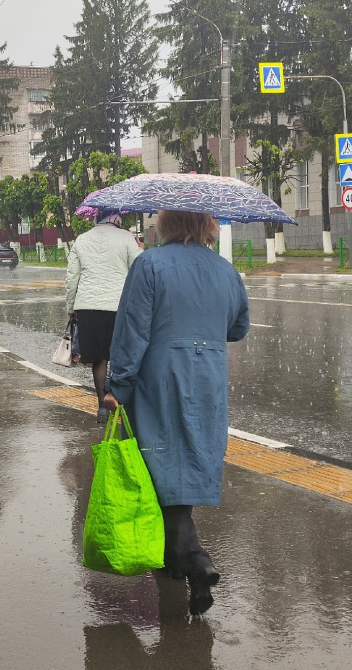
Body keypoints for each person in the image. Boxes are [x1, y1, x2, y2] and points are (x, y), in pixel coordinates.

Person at [102, 209, 249, 616]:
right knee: (186, 461)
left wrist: (117, 387)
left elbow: (132, 331)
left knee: (157, 465)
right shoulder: (225, 270)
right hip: (208, 380)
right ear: (207, 226)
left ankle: (193, 557)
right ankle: (175, 563)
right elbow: (238, 327)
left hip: (161, 377)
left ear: (167, 225)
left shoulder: (149, 264)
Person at [65, 210, 141, 423]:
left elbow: (72, 277)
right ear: (116, 218)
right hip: (119, 305)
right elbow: (139, 268)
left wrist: (71, 307)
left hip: (88, 306)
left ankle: (102, 407)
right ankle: (118, 399)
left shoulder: (82, 239)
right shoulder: (126, 237)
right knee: (120, 355)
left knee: (99, 357)